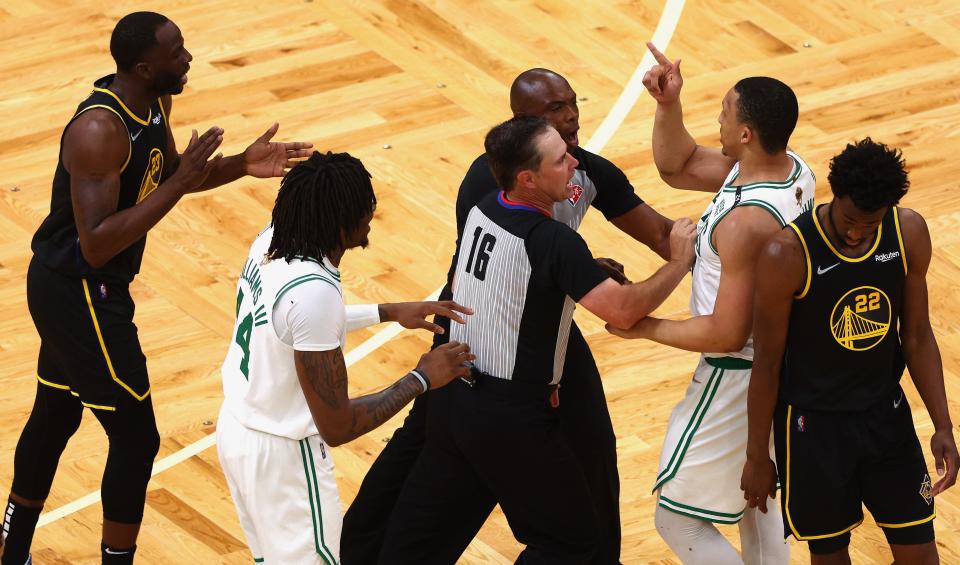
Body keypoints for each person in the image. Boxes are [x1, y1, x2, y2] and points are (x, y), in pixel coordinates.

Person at [0, 12, 311, 565]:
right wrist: (183, 180)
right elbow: (96, 243)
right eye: (176, 52)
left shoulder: (152, 105)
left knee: (56, 412)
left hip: (80, 287)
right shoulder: (99, 131)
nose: (187, 57)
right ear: (144, 67)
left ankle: (11, 549)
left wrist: (239, 164)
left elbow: (165, 176)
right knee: (137, 438)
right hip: (81, 290)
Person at [343, 67, 676, 565]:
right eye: (552, 112)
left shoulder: (581, 173)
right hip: (477, 328)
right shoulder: (486, 187)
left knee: (588, 446)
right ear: (523, 136)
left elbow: (656, 232)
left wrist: (731, 238)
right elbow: (508, 272)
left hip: (538, 314)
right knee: (431, 444)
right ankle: (365, 547)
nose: (569, 118)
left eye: (570, 103)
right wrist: (579, 271)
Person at [216, 150, 476, 565]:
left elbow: (291, 327)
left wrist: (386, 312)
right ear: (342, 224)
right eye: (364, 209)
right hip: (286, 457)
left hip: (238, 431)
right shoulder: (314, 293)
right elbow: (337, 426)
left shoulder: (273, 240)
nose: (370, 216)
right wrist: (421, 378)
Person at [608, 43, 814, 564]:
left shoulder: (745, 223)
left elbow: (726, 333)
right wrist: (667, 105)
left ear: (745, 134)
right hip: (787, 360)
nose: (717, 119)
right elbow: (676, 166)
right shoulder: (791, 170)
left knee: (676, 519)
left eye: (723, 112)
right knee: (758, 499)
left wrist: (646, 326)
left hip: (736, 373)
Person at [741, 138, 959, 564]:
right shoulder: (786, 253)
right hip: (812, 429)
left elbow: (916, 335)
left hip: (885, 417)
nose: (858, 233)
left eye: (871, 224)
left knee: (921, 556)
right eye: (849, 220)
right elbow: (766, 363)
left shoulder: (907, 231)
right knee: (831, 557)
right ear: (834, 194)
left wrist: (943, 425)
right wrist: (756, 456)